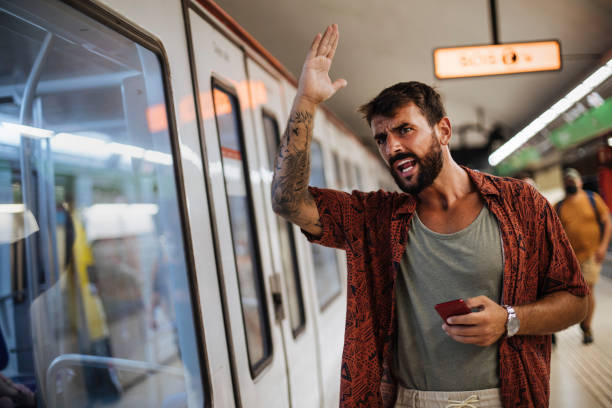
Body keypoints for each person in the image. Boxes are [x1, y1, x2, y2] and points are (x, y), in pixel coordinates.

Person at [272, 24, 589, 408]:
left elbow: (575, 300)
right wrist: (306, 99)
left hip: (506, 398)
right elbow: (289, 202)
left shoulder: (519, 204)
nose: (393, 147)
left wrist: (510, 319)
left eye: (405, 130)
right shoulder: (376, 217)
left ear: (443, 130)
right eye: (382, 138)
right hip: (411, 400)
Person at [555, 168, 612, 344]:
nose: (570, 183)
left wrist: (602, 246)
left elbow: (606, 222)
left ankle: (586, 327)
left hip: (591, 255)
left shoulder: (592, 199)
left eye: (573, 181)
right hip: (570, 258)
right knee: (575, 294)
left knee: (588, 290)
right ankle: (581, 318)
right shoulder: (559, 206)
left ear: (579, 182)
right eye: (567, 181)